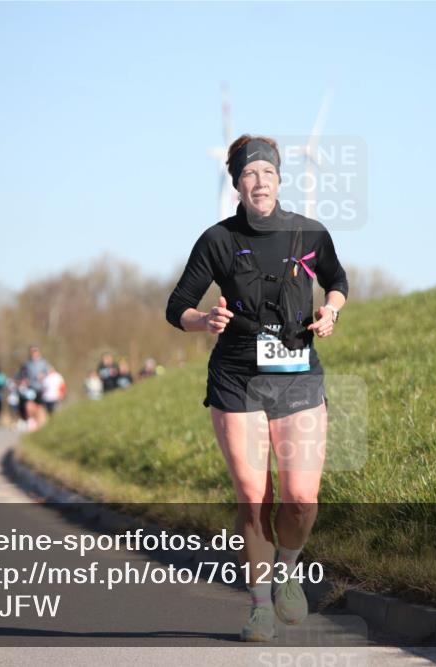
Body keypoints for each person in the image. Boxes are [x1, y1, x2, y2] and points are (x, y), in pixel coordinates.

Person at [165, 135, 348, 641]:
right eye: (250, 174)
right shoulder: (217, 240)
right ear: (237, 184)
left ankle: (287, 570)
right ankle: (260, 604)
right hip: (237, 378)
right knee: (253, 496)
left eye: (268, 173)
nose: (260, 182)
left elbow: (337, 281)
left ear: (280, 180)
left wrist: (331, 311)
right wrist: (204, 319)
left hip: (298, 378)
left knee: (301, 499)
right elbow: (176, 306)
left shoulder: (310, 233)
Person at [16, 345, 49, 430]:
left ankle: (40, 425)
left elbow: (48, 372)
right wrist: (23, 380)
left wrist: (43, 375)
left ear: (38, 352)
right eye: (32, 351)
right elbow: (20, 375)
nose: (34, 353)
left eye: (35, 351)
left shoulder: (43, 362)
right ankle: (31, 422)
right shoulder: (26, 364)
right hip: (30, 388)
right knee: (29, 405)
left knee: (39, 408)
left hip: (40, 388)